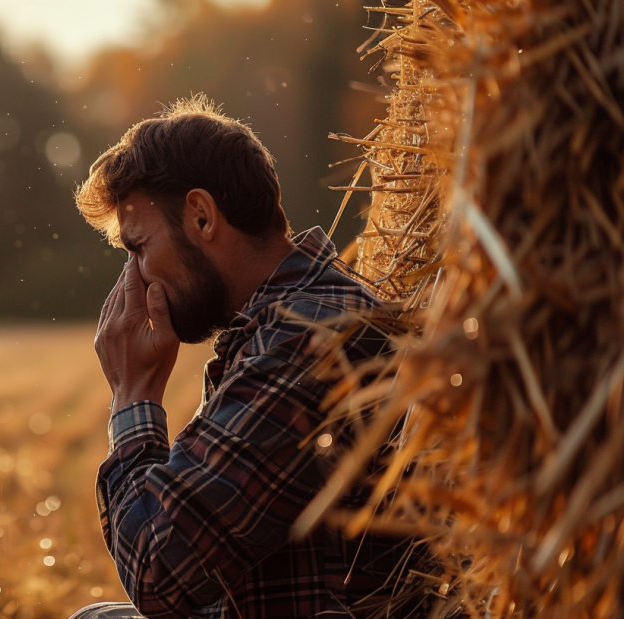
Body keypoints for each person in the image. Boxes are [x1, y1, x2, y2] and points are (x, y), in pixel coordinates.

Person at [70, 96, 422, 618]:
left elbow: (158, 571)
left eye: (139, 248)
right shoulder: (293, 320)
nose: (136, 279)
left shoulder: (309, 343)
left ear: (202, 217)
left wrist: (132, 396)